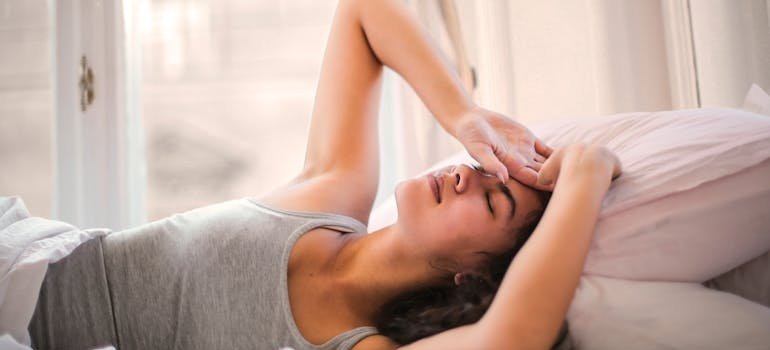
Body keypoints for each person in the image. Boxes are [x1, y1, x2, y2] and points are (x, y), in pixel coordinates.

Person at [28, 0, 621, 349]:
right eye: (484, 167)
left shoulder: (356, 345)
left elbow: (512, 338)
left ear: (471, 277)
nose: (471, 173)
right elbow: (363, 10)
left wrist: (586, 175)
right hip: (21, 260)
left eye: (493, 202)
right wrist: (464, 113)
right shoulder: (330, 194)